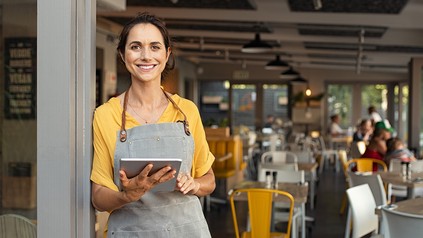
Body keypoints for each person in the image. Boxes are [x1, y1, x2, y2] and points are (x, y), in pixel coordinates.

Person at [90, 13, 215, 237]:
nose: (146, 56)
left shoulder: (187, 111)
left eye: (155, 47)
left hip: (187, 231)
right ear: (122, 54)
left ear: (167, 55)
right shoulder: (105, 115)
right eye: (136, 47)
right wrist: (127, 195)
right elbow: (98, 196)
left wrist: (194, 185)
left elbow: (209, 180)